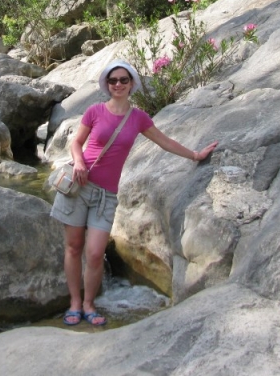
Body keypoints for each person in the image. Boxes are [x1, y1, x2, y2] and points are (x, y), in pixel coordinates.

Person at [50, 59, 218, 326]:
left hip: (106, 195)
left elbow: (165, 142)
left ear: (131, 84)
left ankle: (89, 304)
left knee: (94, 253)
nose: (118, 84)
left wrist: (195, 154)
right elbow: (76, 143)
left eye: (123, 80)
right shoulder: (94, 111)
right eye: (113, 80)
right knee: (73, 247)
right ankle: (74, 303)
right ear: (107, 84)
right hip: (79, 186)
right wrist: (80, 161)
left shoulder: (138, 118)